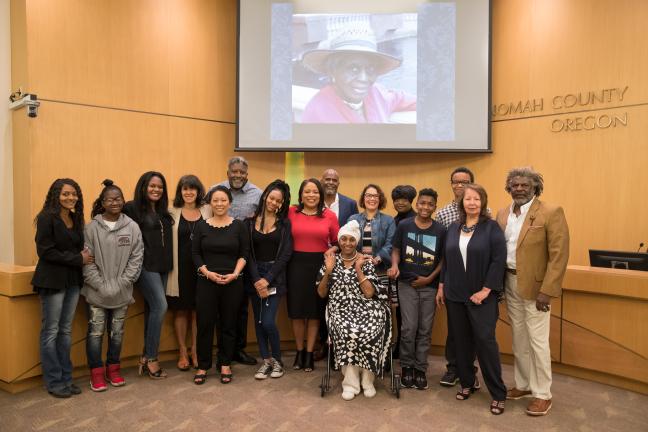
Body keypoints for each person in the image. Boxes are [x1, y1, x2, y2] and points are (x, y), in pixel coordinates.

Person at [496, 167, 569, 416]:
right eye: (514, 185)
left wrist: (547, 291)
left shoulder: (551, 212)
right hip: (509, 282)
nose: (519, 189)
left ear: (535, 187)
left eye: (525, 185)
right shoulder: (503, 213)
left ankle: (542, 394)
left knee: (538, 342)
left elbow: (559, 256)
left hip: (537, 289)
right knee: (519, 338)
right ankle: (524, 384)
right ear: (509, 188)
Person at [438, 183, 507, 415]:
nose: (472, 203)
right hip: (455, 295)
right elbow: (446, 261)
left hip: (482, 297)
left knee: (485, 343)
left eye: (477, 199)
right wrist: (441, 287)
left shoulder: (492, 228)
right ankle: (467, 383)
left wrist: (487, 290)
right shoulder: (453, 228)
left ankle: (498, 393)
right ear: (462, 202)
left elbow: (499, 261)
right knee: (461, 342)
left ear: (483, 202)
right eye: (468, 199)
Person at [317, 220, 391, 400]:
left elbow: (369, 293)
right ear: (339, 241)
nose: (347, 243)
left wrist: (359, 269)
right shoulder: (330, 260)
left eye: (352, 239)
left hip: (368, 307)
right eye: (344, 239)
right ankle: (350, 383)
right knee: (348, 332)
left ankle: (367, 381)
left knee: (370, 330)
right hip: (340, 308)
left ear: (357, 241)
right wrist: (328, 271)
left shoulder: (365, 261)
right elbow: (321, 293)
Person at [31, 178, 92, 398]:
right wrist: (77, 259)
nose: (70, 197)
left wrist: (79, 258)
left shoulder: (75, 218)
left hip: (72, 281)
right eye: (65, 193)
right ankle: (54, 381)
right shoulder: (47, 217)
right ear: (56, 194)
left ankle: (67, 378)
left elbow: (78, 250)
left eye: (74, 193)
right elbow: (45, 252)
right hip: (52, 280)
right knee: (51, 332)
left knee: (65, 331)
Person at [82, 180, 144, 391]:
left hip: (122, 292)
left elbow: (136, 260)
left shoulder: (133, 227)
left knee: (117, 333)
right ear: (102, 203)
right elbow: (86, 261)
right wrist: (101, 285)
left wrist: (119, 284)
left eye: (118, 198)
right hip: (96, 293)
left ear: (123, 201)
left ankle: (113, 370)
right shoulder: (90, 228)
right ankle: (96, 373)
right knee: (96, 333)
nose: (114, 202)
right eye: (109, 199)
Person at [387, 188, 446, 391]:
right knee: (408, 328)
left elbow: (442, 259)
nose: (425, 207)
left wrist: (430, 278)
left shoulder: (440, 230)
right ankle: (407, 368)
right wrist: (394, 265)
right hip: (406, 284)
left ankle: (420, 369)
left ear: (434, 207)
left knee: (424, 330)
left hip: (428, 286)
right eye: (422, 203)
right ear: (417, 203)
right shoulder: (404, 225)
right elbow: (395, 249)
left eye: (430, 204)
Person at [192, 186, 249, 385]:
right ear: (210, 203)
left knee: (229, 324)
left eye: (223, 200)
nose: (219, 204)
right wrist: (207, 272)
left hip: (233, 282)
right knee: (205, 324)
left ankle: (225, 363)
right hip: (206, 281)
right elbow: (196, 254)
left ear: (230, 203)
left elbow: (244, 253)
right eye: (215, 200)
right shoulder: (201, 226)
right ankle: (203, 365)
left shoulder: (239, 226)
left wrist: (234, 274)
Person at [300, 27, 416, 124]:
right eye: (353, 69)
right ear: (333, 71)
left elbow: (405, 99)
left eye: (370, 69)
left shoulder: (377, 94)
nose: (363, 79)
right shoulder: (317, 112)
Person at [210, 156, 262, 366]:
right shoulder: (215, 191)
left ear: (246, 174)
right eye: (234, 171)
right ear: (228, 172)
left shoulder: (257, 194)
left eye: (242, 172)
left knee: (240, 307)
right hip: (218, 255)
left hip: (245, 255)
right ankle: (223, 351)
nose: (238, 175)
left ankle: (238, 349)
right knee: (219, 307)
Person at [123, 171, 173, 379]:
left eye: (160, 186)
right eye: (152, 186)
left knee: (153, 309)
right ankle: (152, 358)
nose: (156, 189)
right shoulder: (131, 208)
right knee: (161, 306)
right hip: (144, 267)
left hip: (162, 266)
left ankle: (145, 357)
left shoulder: (163, 211)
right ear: (143, 186)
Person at [287, 178, 339, 372]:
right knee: (297, 312)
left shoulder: (329, 215)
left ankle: (309, 354)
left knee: (315, 312)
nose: (311, 195)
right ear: (301, 194)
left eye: (315, 192)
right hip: (295, 265)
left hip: (319, 266)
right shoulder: (291, 212)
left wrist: (330, 251)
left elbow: (337, 241)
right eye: (307, 192)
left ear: (321, 194)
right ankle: (299, 352)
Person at [435, 167, 480, 387]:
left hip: (476, 281)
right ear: (451, 184)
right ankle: (453, 368)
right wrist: (442, 283)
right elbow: (443, 253)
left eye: (465, 182)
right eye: (456, 182)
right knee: (455, 328)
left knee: (473, 328)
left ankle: (470, 370)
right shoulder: (443, 214)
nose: (460, 186)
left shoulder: (484, 210)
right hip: (452, 280)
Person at [244, 180, 293, 380]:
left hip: (275, 275)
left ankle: (278, 361)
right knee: (259, 320)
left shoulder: (284, 224)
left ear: (282, 204)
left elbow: (286, 254)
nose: (273, 202)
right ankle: (266, 361)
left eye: (278, 200)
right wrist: (257, 279)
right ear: (265, 196)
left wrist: (268, 279)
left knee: (269, 322)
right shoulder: (248, 222)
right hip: (254, 275)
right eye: (271, 198)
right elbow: (247, 253)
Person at [167, 175, 205, 371]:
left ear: (199, 191)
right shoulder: (171, 211)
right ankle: (182, 351)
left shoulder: (207, 210)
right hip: (178, 270)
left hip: (203, 270)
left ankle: (196, 350)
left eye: (192, 189)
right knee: (181, 311)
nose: (189, 192)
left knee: (198, 312)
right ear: (180, 192)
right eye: (185, 189)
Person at [389, 184, 418, 361]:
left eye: (404, 200)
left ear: (411, 201)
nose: (400, 203)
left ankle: (408, 349)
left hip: (412, 275)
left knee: (411, 317)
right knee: (399, 312)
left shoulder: (416, 219)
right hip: (397, 273)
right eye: (396, 200)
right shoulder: (394, 220)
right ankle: (400, 345)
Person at [348, 184, 395, 273]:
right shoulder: (353, 219)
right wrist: (359, 256)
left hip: (381, 269)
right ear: (363, 198)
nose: (372, 199)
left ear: (380, 199)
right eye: (369, 195)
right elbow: (347, 243)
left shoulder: (389, 220)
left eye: (376, 196)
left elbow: (390, 244)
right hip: (356, 267)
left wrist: (377, 258)